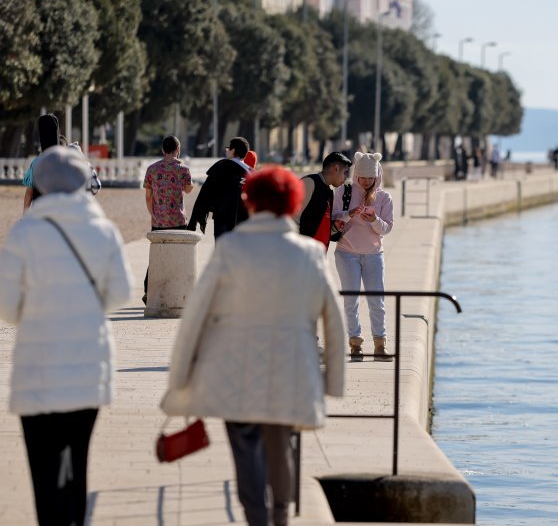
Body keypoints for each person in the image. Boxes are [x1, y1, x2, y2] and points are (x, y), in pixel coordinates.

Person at [161, 166, 345, 526]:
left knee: (246, 454)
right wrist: (333, 382)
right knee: (282, 450)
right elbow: (334, 321)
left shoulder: (230, 249)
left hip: (236, 371)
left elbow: (195, 316)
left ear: (251, 200)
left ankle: (256, 519)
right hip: (291, 371)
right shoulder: (309, 253)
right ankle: (280, 518)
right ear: (292, 202)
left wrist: (179, 379)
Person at [0, 146, 133, 526]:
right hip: (87, 369)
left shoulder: (24, 231)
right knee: (76, 466)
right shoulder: (103, 229)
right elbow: (121, 293)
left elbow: (7, 308)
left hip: (37, 372)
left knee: (43, 473)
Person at [332, 152, 394, 361]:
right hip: (346, 253)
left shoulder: (384, 197)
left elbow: (386, 228)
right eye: (363, 177)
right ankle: (355, 343)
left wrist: (374, 219)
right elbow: (333, 216)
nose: (366, 182)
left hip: (374, 255)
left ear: (377, 176)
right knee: (351, 300)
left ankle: (380, 343)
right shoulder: (343, 192)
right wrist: (349, 214)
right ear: (356, 175)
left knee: (377, 300)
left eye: (371, 178)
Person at [142, 135, 193, 303]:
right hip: (178, 219)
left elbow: (148, 197)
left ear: (163, 150)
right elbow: (188, 190)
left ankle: (149, 290)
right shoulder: (183, 169)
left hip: (158, 220)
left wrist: (153, 214)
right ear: (178, 150)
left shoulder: (152, 169)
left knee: (156, 256)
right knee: (178, 255)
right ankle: (178, 290)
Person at [188, 137, 251, 239]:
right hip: (244, 222)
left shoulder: (221, 166)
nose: (226, 150)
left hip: (223, 220)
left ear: (233, 150)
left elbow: (205, 192)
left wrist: (194, 220)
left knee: (222, 251)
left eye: (228, 148)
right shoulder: (250, 173)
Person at [295, 151, 352, 251]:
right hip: (302, 254)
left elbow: (320, 227)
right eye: (346, 172)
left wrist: (334, 227)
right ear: (336, 168)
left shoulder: (329, 192)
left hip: (317, 255)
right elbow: (292, 218)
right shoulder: (309, 183)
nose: (346, 178)